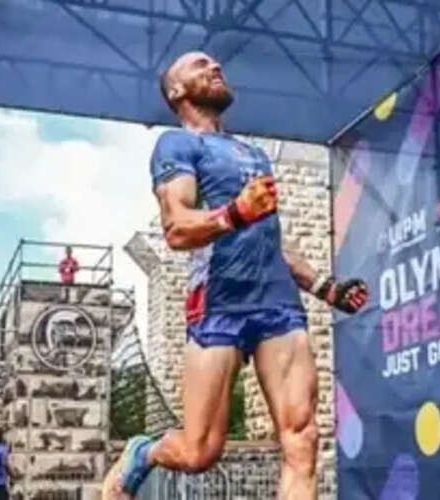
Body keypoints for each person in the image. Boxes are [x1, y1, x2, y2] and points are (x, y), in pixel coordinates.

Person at [101, 52, 369, 500]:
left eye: (215, 64)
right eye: (199, 65)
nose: (214, 67)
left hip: (279, 306)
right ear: (176, 91)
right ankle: (142, 453)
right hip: (219, 303)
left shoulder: (254, 155)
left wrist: (326, 288)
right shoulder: (177, 145)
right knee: (199, 451)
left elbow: (271, 235)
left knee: (302, 438)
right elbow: (177, 228)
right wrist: (235, 213)